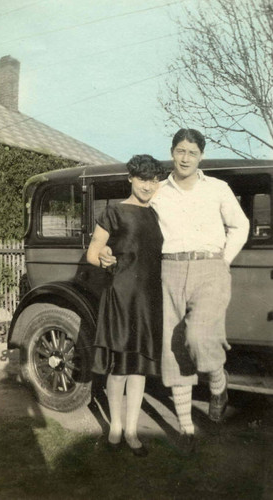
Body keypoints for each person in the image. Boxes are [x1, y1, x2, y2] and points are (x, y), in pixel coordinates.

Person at [99, 129, 249, 455]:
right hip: (169, 271)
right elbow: (131, 222)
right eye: (179, 151)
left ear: (201, 156)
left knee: (197, 336)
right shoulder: (158, 191)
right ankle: (187, 428)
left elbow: (241, 226)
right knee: (174, 349)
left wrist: (224, 260)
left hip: (210, 268)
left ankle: (218, 384)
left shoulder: (218, 189)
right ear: (172, 152)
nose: (185, 158)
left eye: (191, 152)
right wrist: (108, 251)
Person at [86, 154, 165, 457]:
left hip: (148, 300)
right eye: (143, 178)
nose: (148, 185)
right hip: (120, 296)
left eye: (154, 179)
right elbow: (94, 252)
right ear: (131, 178)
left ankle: (132, 430)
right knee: (118, 368)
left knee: (139, 368)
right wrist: (104, 257)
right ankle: (116, 427)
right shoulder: (113, 212)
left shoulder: (157, 215)